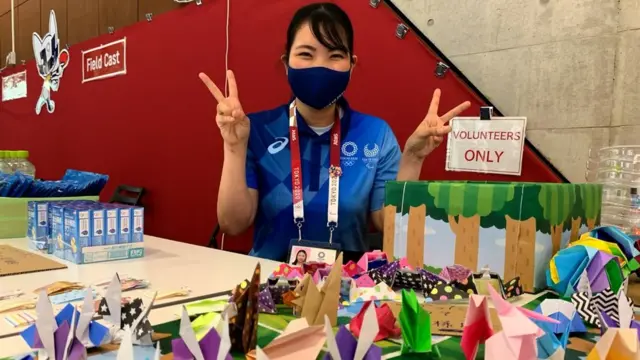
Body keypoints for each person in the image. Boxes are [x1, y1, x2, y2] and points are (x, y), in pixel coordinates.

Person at [200, 2, 470, 262]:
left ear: (351, 66)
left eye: (335, 55)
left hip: (350, 291)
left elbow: (390, 226)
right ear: (286, 64)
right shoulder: (256, 129)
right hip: (272, 290)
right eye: (306, 54)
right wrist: (234, 147)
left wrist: (412, 158)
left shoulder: (375, 134)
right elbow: (232, 225)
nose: (320, 66)